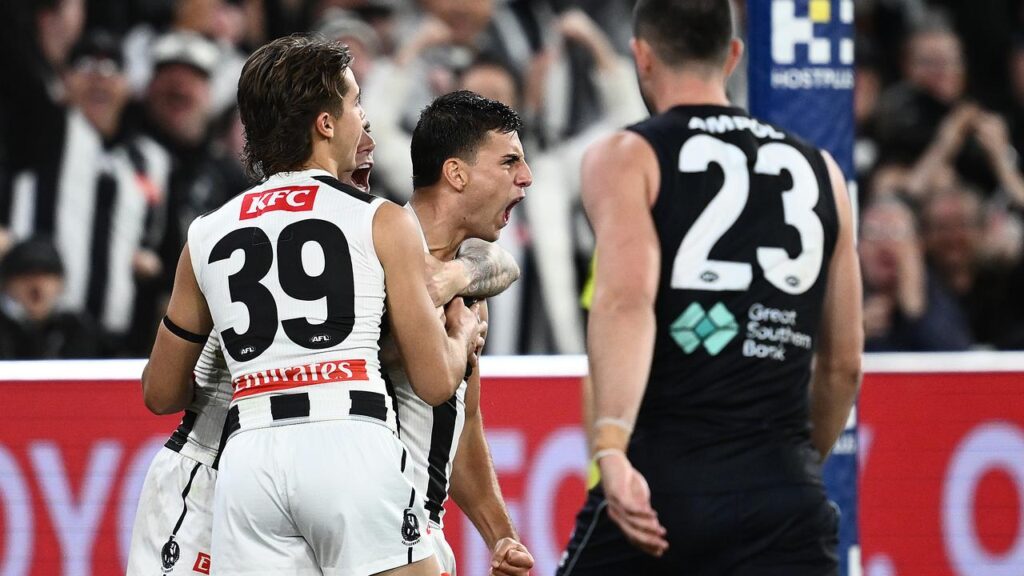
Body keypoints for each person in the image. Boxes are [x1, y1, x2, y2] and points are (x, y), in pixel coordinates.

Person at [139, 35, 484, 575]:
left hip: (248, 459)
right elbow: (435, 381)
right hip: (349, 436)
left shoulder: (206, 234)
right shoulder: (382, 219)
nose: (361, 118)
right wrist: (461, 338)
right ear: (325, 123)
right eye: (354, 104)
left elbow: (160, 394)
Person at [557, 1, 863, 574]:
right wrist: (792, 467)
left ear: (641, 57)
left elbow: (627, 301)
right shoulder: (823, 171)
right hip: (784, 497)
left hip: (665, 486)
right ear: (734, 55)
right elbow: (843, 363)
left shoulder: (628, 156)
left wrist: (611, 449)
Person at [384, 90, 534, 576]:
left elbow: (464, 425)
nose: (526, 178)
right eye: (509, 161)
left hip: (423, 530)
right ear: (456, 173)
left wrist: (501, 536)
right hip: (372, 530)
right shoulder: (372, 255)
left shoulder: (469, 276)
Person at [0, 237, 100, 359]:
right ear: (6, 284)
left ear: (61, 283)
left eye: (46, 274)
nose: (36, 284)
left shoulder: (77, 328)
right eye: (26, 275)